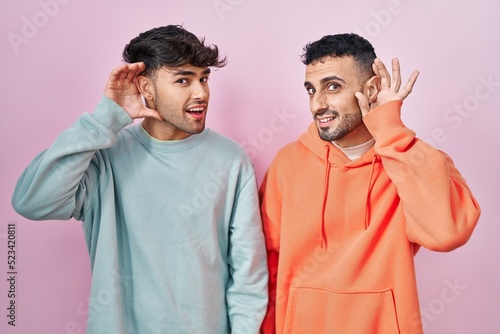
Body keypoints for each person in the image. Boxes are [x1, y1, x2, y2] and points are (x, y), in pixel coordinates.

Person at [12, 25, 268, 334]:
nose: (201, 92)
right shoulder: (104, 157)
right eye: (183, 80)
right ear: (146, 87)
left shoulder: (232, 160)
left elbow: (248, 273)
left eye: (203, 78)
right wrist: (106, 118)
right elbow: (32, 201)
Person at [259, 33, 480, 333]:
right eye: (311, 90)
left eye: (333, 87)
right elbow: (267, 263)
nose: (317, 104)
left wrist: (390, 129)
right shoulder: (288, 163)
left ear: (372, 88)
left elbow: (447, 234)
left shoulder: (410, 160)